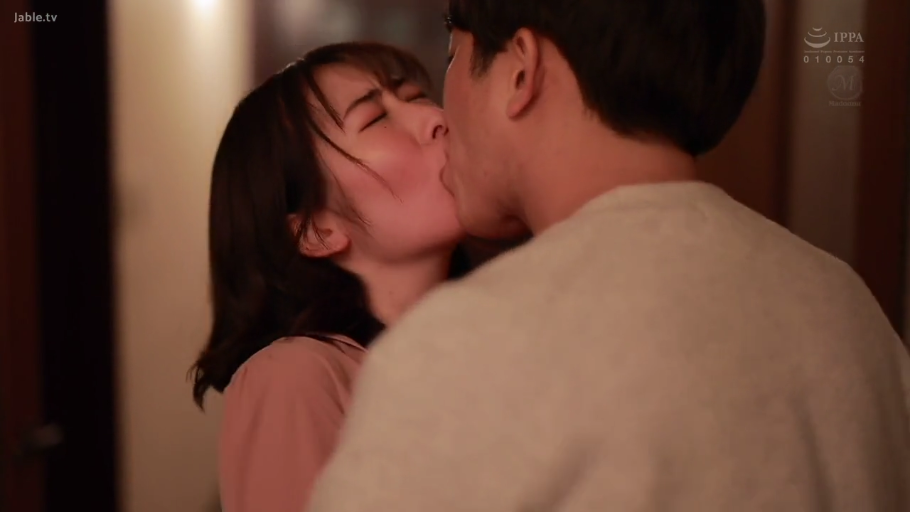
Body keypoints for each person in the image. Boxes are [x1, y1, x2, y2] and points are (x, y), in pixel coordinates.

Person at [307, 1, 910, 511]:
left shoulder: (466, 343)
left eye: (452, 58)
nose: (440, 114)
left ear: (521, 70)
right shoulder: (846, 309)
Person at [189, 42, 470, 512]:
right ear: (316, 231)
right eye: (376, 119)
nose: (435, 117)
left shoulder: (484, 341)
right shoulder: (294, 379)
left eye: (417, 96)